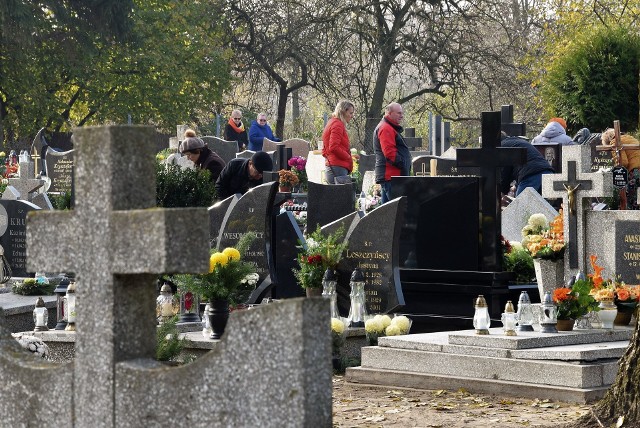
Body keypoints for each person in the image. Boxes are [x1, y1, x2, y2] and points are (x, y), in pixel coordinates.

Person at [373, 102, 411, 203]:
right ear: (389, 113)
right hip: (392, 177)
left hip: (391, 177)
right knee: (398, 210)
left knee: (387, 212)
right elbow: (390, 153)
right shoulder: (386, 128)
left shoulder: (388, 127)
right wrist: (403, 164)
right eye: (398, 113)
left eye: (402, 113)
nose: (402, 116)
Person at [601, 128, 640, 209]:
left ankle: (631, 220)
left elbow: (623, 162)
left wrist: (616, 170)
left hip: (635, 172)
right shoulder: (629, 137)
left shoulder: (615, 143)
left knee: (632, 200)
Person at [322, 100, 355, 184]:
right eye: (350, 113)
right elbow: (333, 147)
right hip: (337, 167)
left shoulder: (332, 122)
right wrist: (348, 157)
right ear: (343, 112)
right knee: (341, 196)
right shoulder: (337, 125)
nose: (352, 116)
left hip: (334, 166)